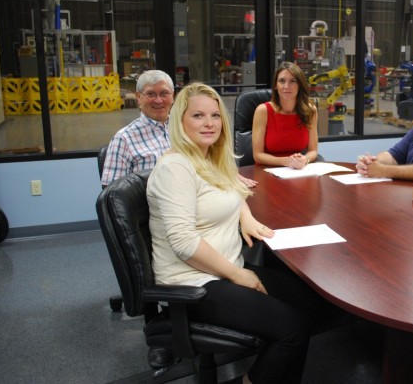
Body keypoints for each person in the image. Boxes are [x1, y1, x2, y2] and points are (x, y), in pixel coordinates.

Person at [147, 82, 327, 384]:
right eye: (198, 116)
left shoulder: (207, 159)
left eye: (215, 116)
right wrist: (238, 275)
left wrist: (245, 217)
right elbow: (183, 243)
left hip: (226, 268)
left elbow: (235, 188)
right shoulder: (176, 167)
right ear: (180, 121)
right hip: (195, 282)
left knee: (309, 300)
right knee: (292, 328)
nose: (209, 123)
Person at [101, 70, 256, 188]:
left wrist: (228, 175)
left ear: (173, 96)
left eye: (164, 93)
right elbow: (113, 194)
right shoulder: (124, 139)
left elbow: (210, 160)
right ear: (138, 97)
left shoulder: (188, 127)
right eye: (150, 94)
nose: (158, 100)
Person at [252, 62, 318, 168]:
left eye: (293, 81)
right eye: (282, 81)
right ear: (275, 86)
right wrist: (286, 161)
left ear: (300, 85)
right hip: (267, 170)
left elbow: (313, 151)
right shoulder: (263, 111)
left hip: (297, 171)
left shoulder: (310, 111)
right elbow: (258, 155)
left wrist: (305, 159)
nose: (287, 86)